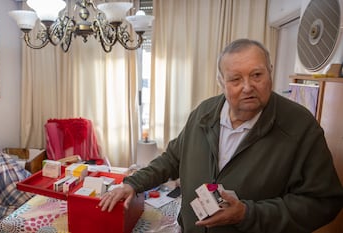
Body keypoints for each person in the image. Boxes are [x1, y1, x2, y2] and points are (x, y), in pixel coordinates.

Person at [99, 38, 343, 233]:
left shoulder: (301, 127)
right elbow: (173, 159)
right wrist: (133, 184)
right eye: (235, 79)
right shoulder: (204, 112)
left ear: (270, 72)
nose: (247, 87)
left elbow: (323, 203)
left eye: (257, 75)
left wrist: (247, 214)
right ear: (221, 82)